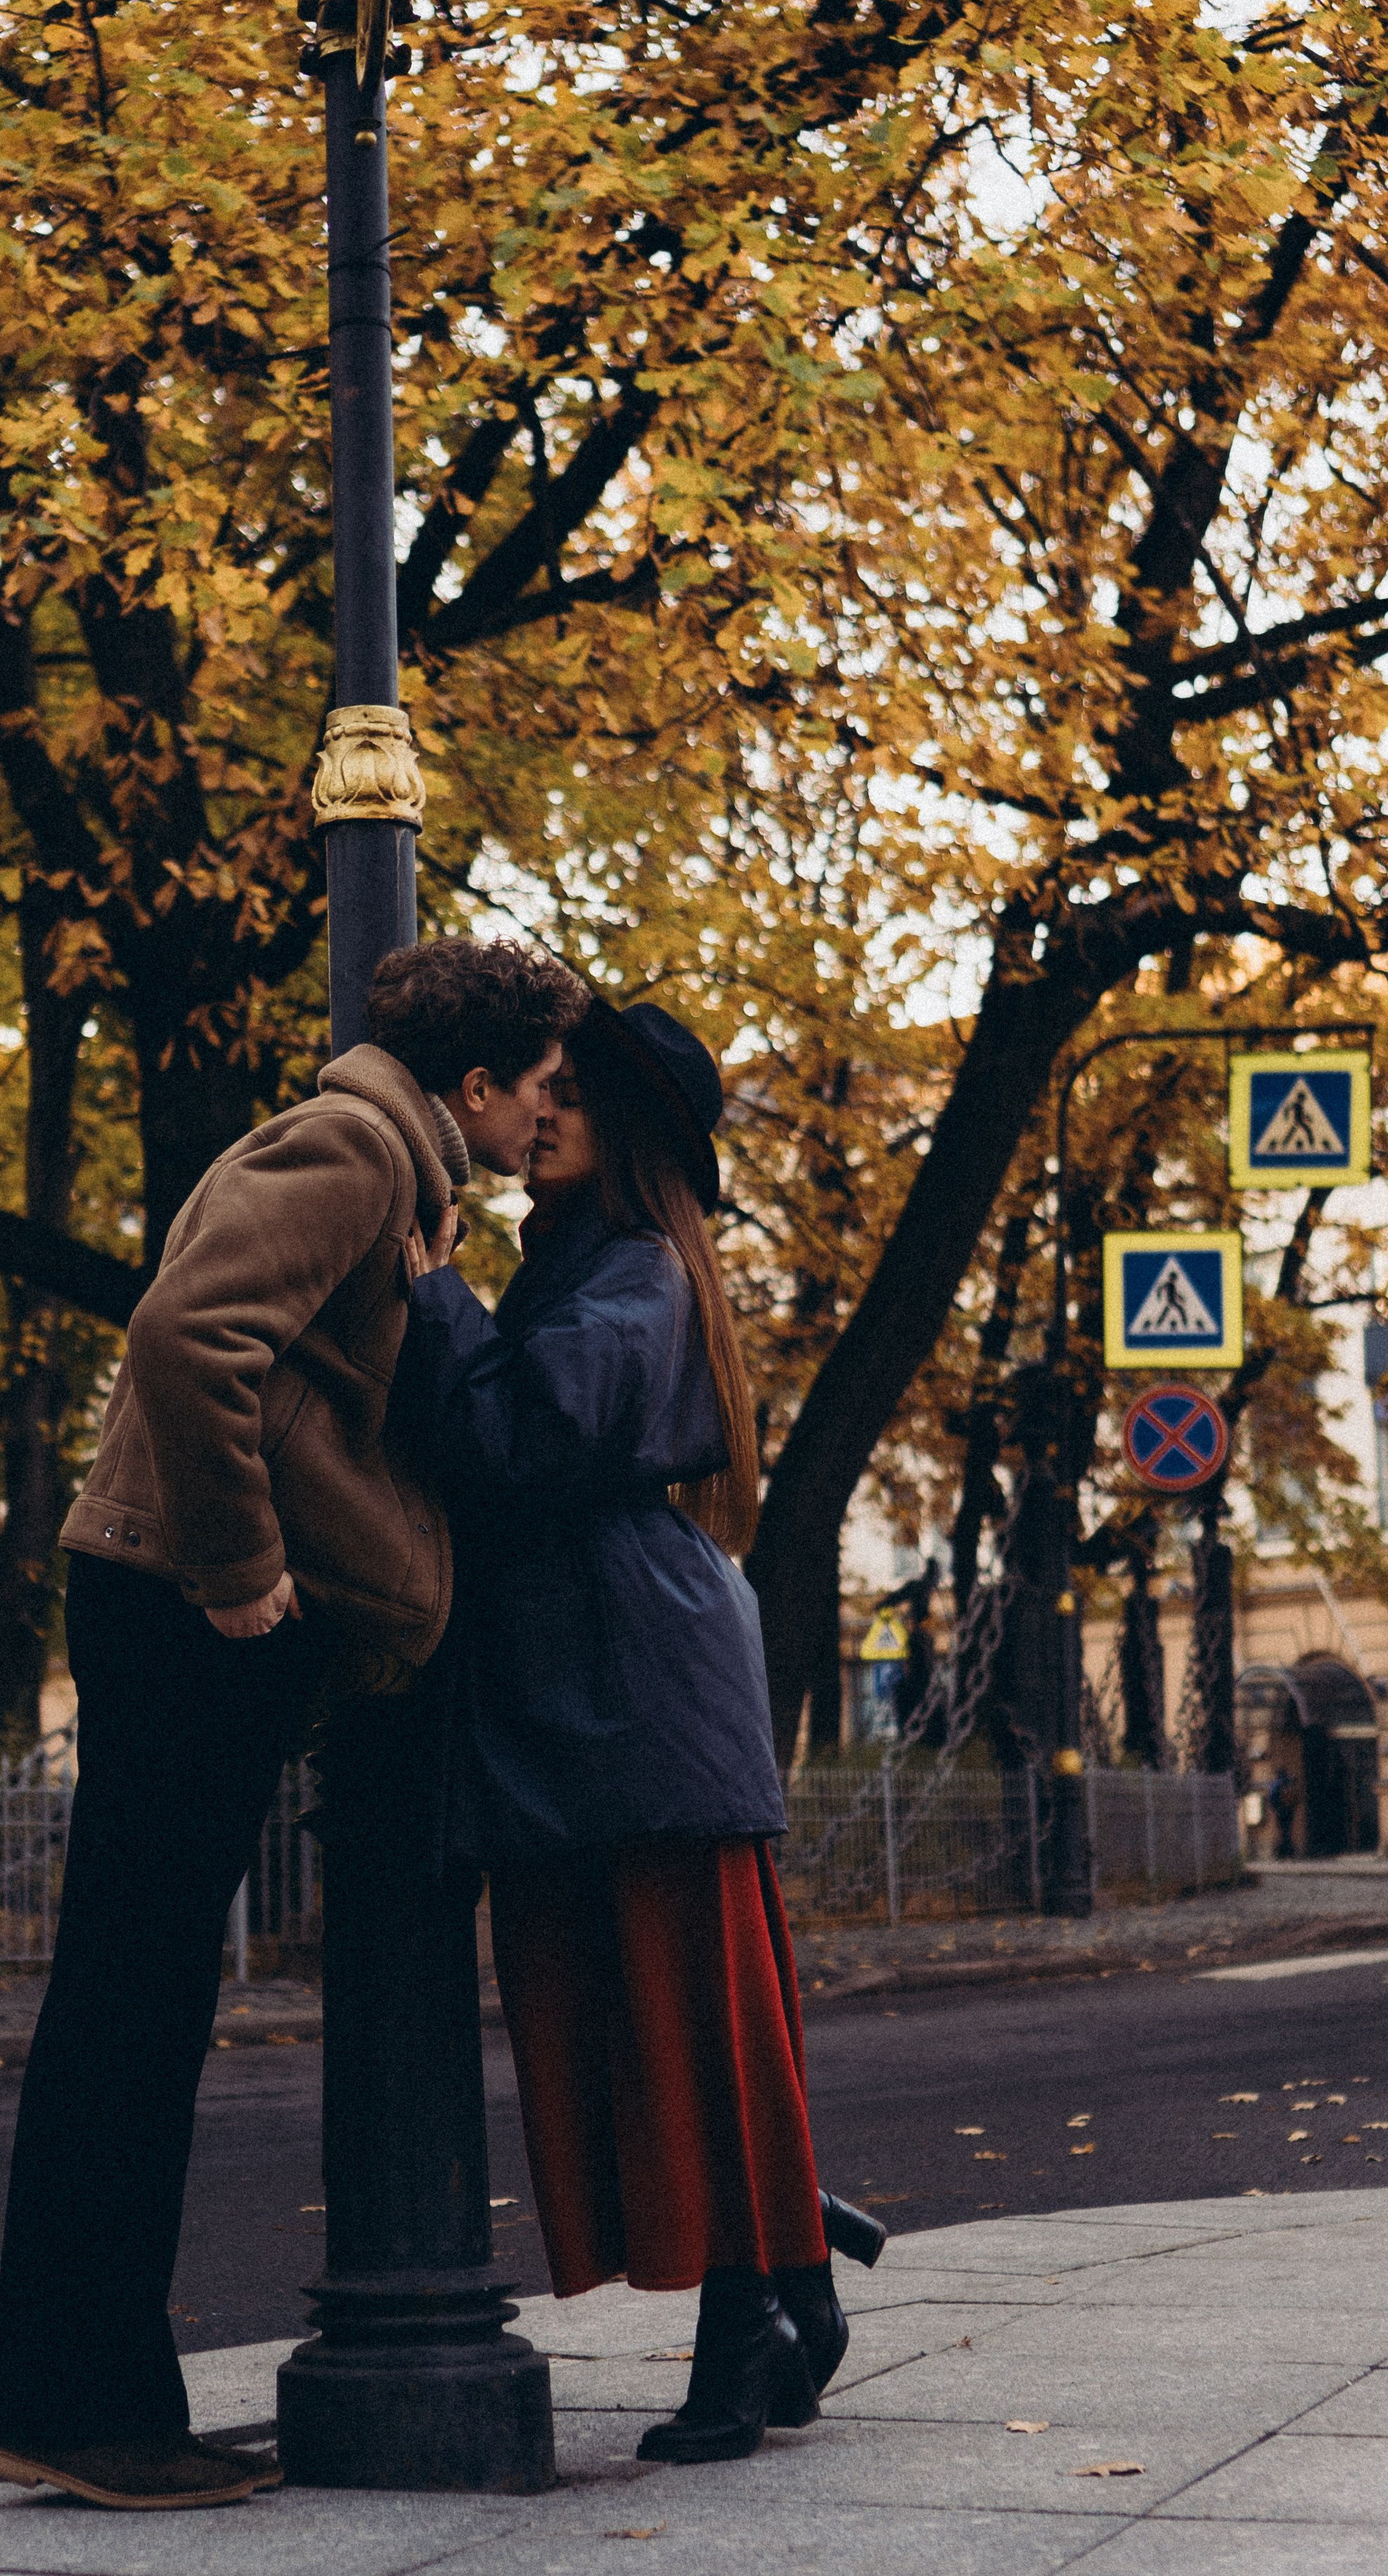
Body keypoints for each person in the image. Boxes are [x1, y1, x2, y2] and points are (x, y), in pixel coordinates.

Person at [0, 939, 587, 2511]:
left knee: (139, 1996)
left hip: (184, 1605)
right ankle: (77, 2407)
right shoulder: (357, 1147)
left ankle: (75, 2391)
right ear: (473, 1084)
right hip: (182, 1606)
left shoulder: (391, 1161)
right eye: (535, 1089)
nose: (543, 1118)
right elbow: (187, 1337)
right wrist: (242, 1573)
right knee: (132, 2002)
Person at [400, 998, 882, 2471]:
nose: (536, 1111)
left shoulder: (635, 1270)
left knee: (690, 2024)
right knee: (646, 2024)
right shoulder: (579, 1262)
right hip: (594, 1683)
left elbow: (515, 1440)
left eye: (569, 1095)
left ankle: (750, 2327)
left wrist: (430, 1292)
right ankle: (789, 2272)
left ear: (627, 1136)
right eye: (537, 1088)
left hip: (637, 1690)